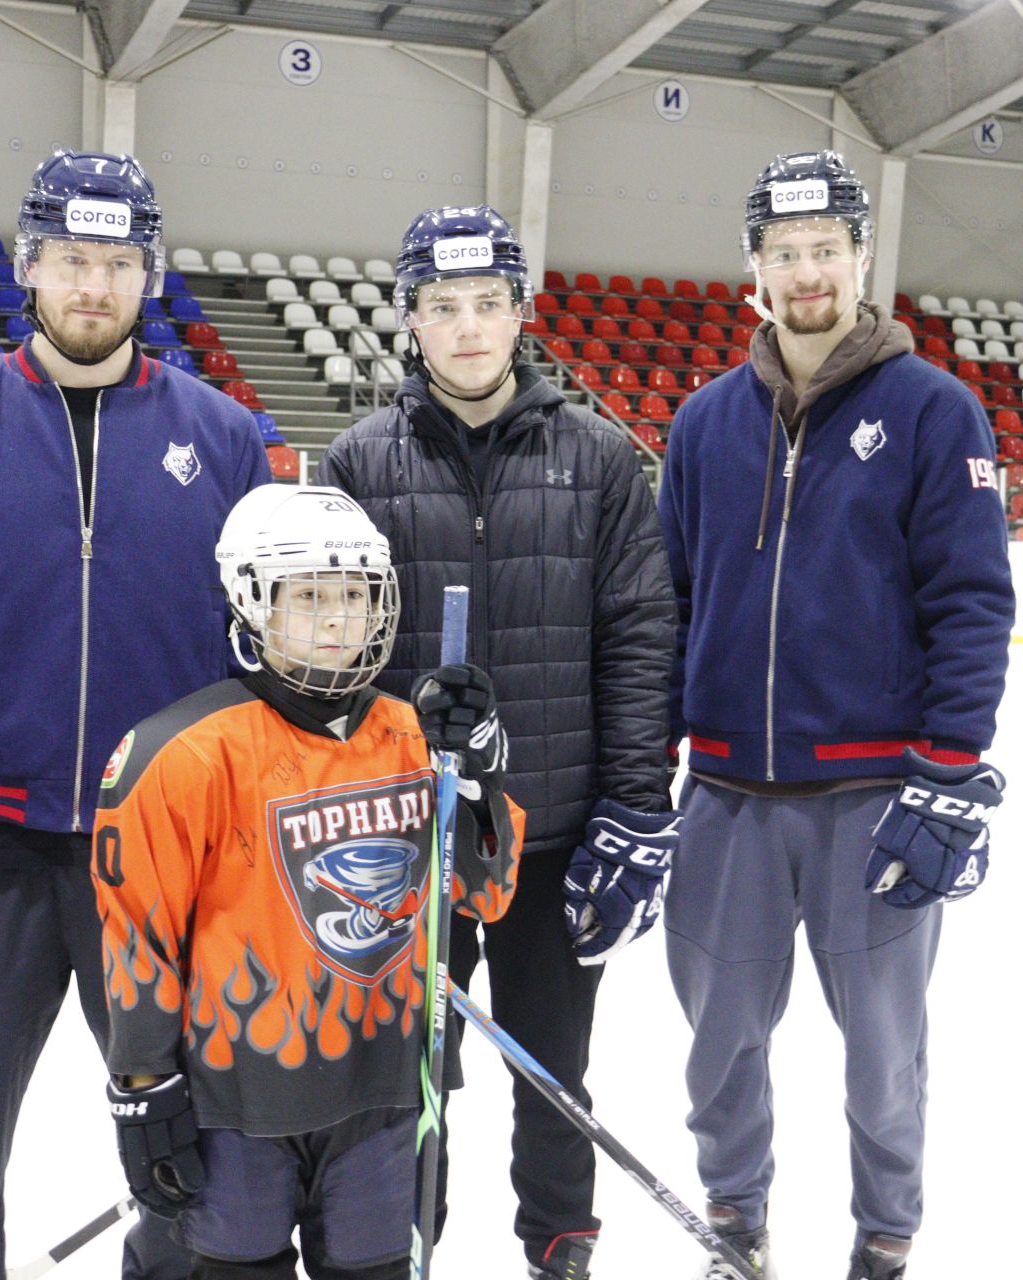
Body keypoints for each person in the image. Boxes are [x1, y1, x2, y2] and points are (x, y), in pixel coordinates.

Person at [0, 149, 272, 1280]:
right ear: (30, 265)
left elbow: (251, 650)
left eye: (118, 262)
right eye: (72, 259)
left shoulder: (223, 438)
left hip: (162, 849)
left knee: (190, 1131)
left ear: (150, 277)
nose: (93, 285)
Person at [658, 150, 1015, 1280]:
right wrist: (642, 768)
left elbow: (972, 598)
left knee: (883, 1051)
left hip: (876, 799)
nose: (806, 271)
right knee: (720, 1046)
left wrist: (952, 764)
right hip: (725, 797)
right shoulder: (705, 422)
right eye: (784, 252)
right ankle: (734, 1214)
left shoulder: (934, 411)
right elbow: (667, 600)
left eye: (826, 249)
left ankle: (884, 1233)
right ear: (752, 268)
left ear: (862, 256)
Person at [319, 206, 677, 1280]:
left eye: (486, 304)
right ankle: (400, 1237)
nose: (467, 328)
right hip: (408, 834)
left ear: (520, 312)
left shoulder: (601, 458)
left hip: (555, 829)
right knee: (405, 1063)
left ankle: (559, 1243)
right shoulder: (356, 462)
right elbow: (328, 647)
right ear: (410, 321)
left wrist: (633, 805)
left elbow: (641, 632)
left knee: (552, 1064)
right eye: (442, 306)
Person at [92, 483, 524, 1280]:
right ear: (252, 603)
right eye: (308, 596)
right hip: (237, 1099)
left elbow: (484, 892)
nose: (335, 618)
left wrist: (477, 779)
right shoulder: (178, 751)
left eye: (355, 595)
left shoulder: (418, 738)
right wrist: (144, 1083)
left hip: (388, 1091)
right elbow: (139, 935)